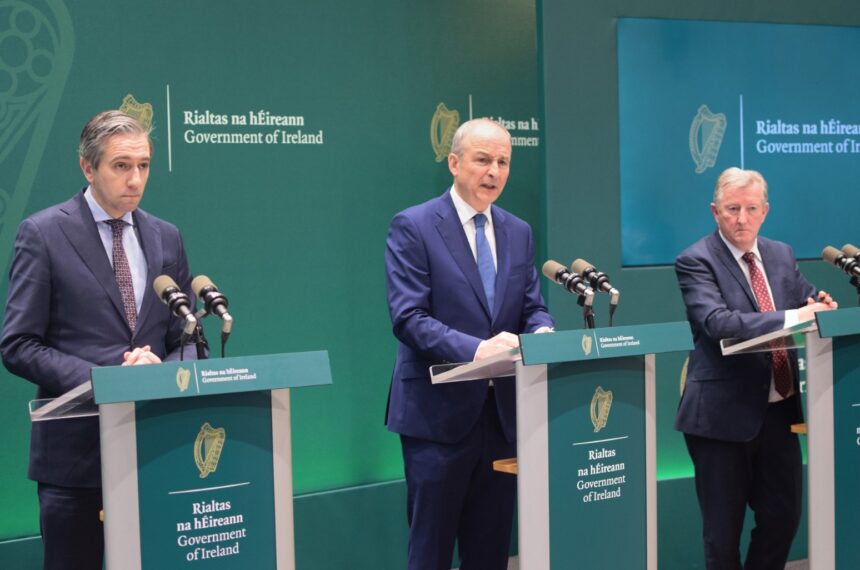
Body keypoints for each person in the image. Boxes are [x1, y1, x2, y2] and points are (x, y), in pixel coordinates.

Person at [0, 110, 199, 569]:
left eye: (144, 165)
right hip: (76, 461)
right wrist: (108, 381)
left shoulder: (166, 237)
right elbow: (18, 344)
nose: (136, 179)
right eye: (121, 166)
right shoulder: (43, 233)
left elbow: (188, 337)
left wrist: (161, 375)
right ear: (88, 168)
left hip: (155, 451)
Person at [385, 118, 554, 570]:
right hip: (437, 418)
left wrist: (542, 334)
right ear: (454, 163)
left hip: (502, 420)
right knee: (431, 553)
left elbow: (532, 307)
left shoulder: (518, 231)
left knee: (490, 553)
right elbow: (408, 318)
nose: (494, 171)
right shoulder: (414, 225)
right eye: (483, 160)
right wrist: (477, 350)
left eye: (503, 162)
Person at [674, 167, 837, 570]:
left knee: (783, 519)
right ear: (715, 211)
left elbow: (804, 298)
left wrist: (820, 305)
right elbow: (717, 323)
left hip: (780, 413)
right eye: (732, 209)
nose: (741, 218)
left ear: (765, 211)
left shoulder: (780, 254)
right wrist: (795, 316)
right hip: (721, 418)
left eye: (750, 209)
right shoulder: (696, 260)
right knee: (722, 535)